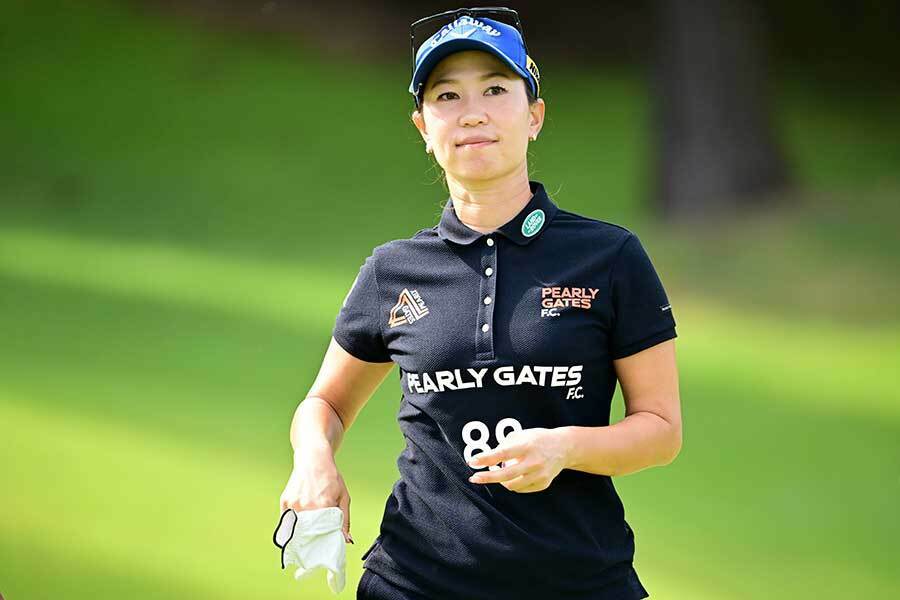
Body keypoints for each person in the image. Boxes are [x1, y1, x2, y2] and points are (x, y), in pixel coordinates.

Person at [278, 7, 682, 600]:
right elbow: (327, 404)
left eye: (496, 89)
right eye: (447, 96)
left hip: (581, 583)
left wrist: (563, 446)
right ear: (423, 127)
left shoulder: (610, 257)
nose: (473, 113)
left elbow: (661, 429)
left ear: (534, 115)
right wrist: (314, 461)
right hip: (414, 583)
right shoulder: (394, 271)